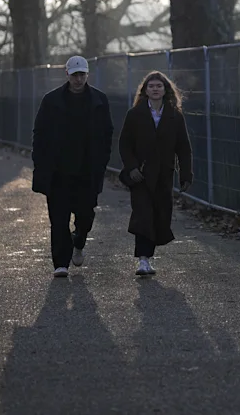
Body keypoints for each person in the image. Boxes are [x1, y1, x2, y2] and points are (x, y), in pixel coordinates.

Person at [32, 56, 114, 278]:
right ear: (67, 75)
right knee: (58, 218)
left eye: (82, 74)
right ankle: (61, 262)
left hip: (87, 171)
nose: (79, 79)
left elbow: (107, 133)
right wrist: (40, 164)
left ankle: (78, 242)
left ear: (87, 75)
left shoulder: (99, 100)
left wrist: (101, 162)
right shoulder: (51, 101)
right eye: (75, 74)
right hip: (58, 171)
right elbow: (39, 133)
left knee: (85, 216)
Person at [118, 70, 192, 276]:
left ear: (166, 89)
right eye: (151, 86)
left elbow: (183, 147)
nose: (155, 89)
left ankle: (148, 255)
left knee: (160, 215)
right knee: (143, 215)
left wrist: (186, 175)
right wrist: (132, 167)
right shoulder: (134, 115)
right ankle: (143, 260)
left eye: (159, 86)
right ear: (145, 90)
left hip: (164, 176)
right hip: (140, 176)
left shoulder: (175, 116)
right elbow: (124, 144)